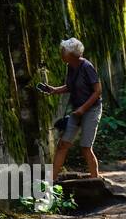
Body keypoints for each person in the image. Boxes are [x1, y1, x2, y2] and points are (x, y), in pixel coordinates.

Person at [42, 37, 103, 180]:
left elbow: (98, 90)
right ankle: (51, 182)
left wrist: (83, 109)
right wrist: (54, 90)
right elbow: (70, 86)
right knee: (63, 145)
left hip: (91, 110)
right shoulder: (70, 66)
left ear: (71, 54)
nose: (61, 52)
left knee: (86, 147)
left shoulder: (87, 67)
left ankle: (95, 181)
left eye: (63, 50)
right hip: (77, 110)